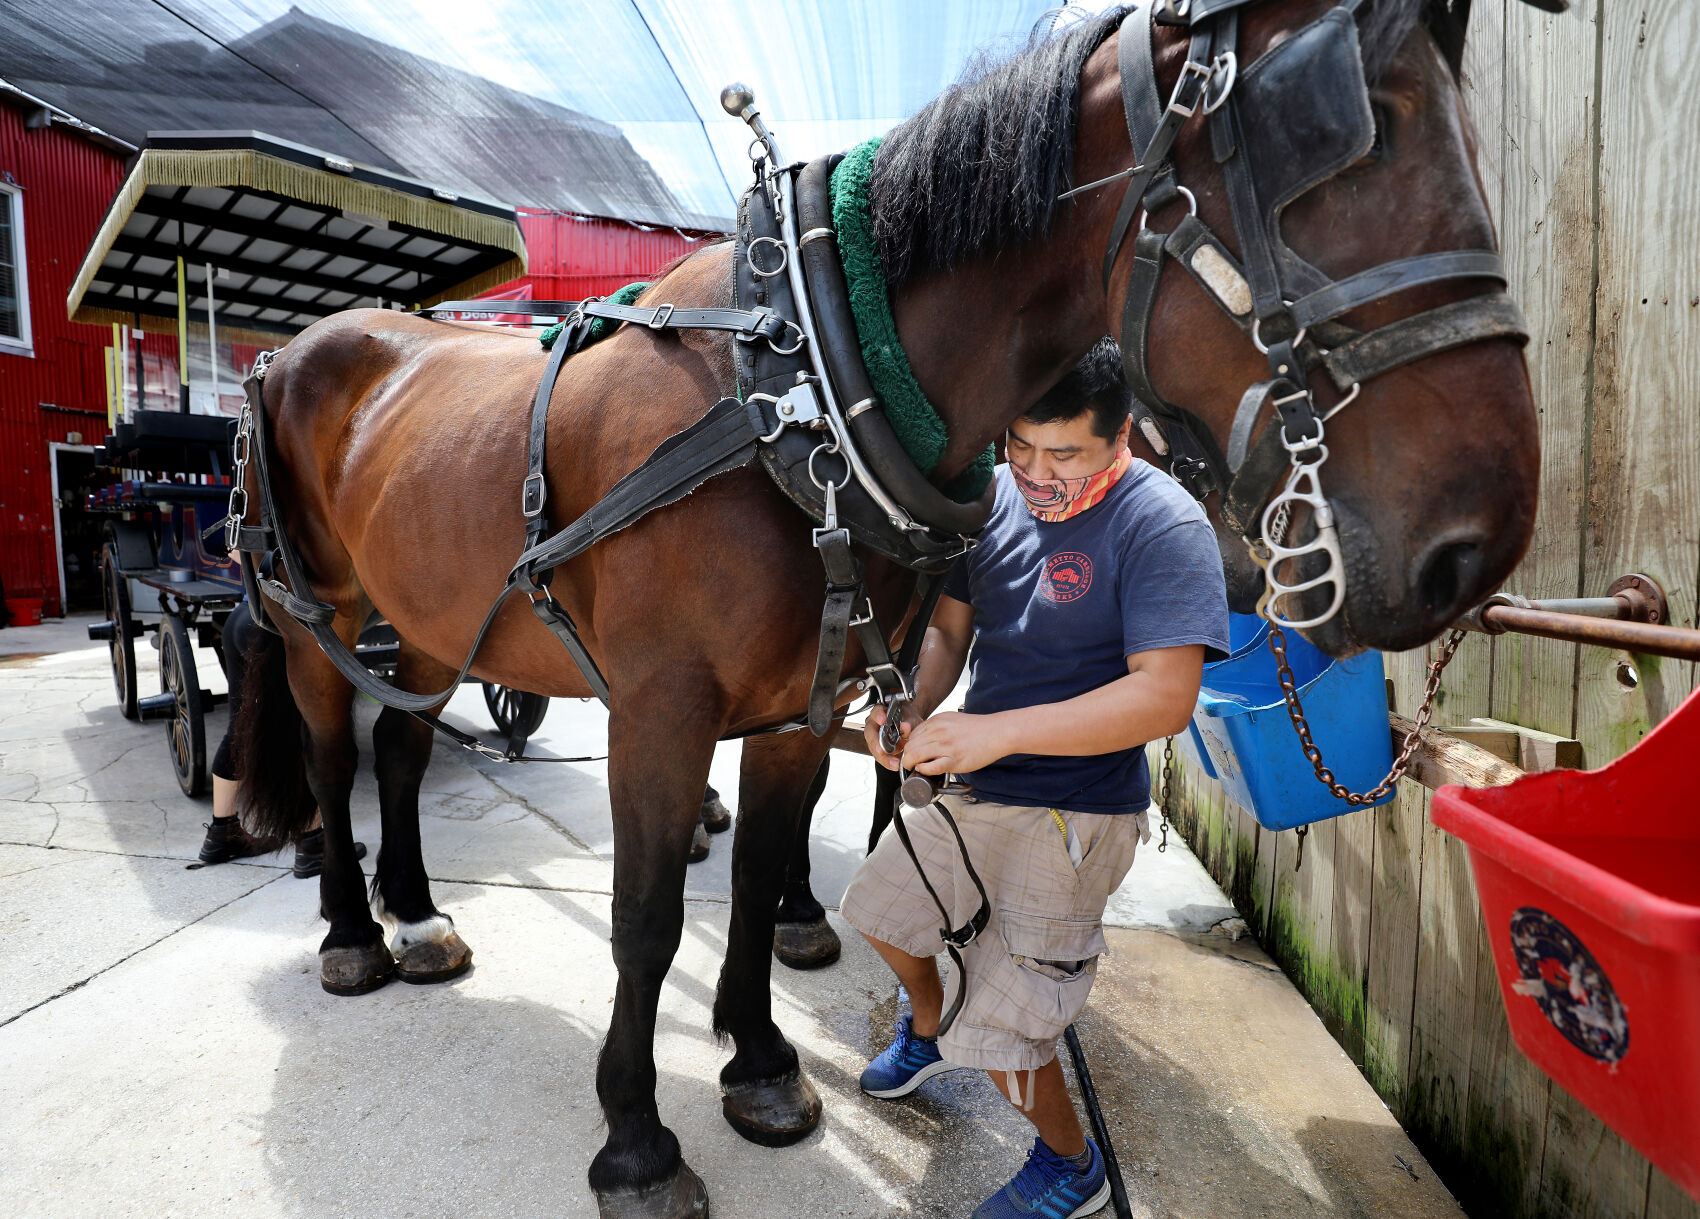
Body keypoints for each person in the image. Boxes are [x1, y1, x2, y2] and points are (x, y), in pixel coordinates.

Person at [842, 341, 1230, 1219]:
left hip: (1079, 812)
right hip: (983, 780)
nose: (1037, 473)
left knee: (1010, 1029)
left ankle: (1070, 1163)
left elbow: (1165, 697)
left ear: (1120, 435)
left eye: (1065, 455)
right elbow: (948, 632)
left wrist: (993, 732)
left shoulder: (1163, 524)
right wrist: (910, 703)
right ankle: (930, 1023)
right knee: (880, 912)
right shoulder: (997, 499)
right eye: (1021, 446)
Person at [197, 600, 365, 877]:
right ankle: (312, 844)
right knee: (306, 729)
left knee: (239, 727)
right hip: (287, 621)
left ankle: (221, 834)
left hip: (244, 616)